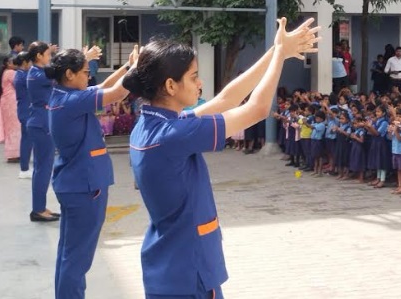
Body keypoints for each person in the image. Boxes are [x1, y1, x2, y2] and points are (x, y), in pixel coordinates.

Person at [126, 17, 318, 299]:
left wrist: (276, 50)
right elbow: (257, 108)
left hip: (169, 265)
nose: (200, 83)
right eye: (193, 76)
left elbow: (227, 99)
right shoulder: (173, 134)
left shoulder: (150, 125)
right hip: (190, 271)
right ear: (170, 85)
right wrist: (279, 54)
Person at [47, 45, 136, 298]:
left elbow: (105, 88)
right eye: (85, 72)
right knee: (77, 259)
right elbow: (117, 92)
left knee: (69, 255)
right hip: (85, 186)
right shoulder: (73, 100)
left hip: (75, 184)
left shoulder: (64, 96)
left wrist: (128, 67)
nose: (89, 76)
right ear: (69, 74)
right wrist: (141, 67)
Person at [27, 41, 59, 222]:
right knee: (43, 168)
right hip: (41, 124)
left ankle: (40, 207)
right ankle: (38, 209)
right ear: (39, 56)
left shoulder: (37, 73)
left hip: (40, 122)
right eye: (47, 54)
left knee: (43, 168)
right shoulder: (38, 74)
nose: (50, 57)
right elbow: (60, 74)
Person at [0, 55, 21, 163]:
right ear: (8, 63)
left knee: (10, 128)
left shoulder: (4, 72)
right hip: (11, 102)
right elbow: (19, 85)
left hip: (6, 101)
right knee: (15, 127)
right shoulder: (11, 73)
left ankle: (12, 153)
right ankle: (14, 153)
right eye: (13, 62)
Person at [13, 51, 33, 179]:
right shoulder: (23, 76)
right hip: (26, 110)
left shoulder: (22, 74)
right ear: (25, 62)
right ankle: (24, 169)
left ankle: (25, 167)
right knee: (27, 140)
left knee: (27, 139)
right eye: (30, 61)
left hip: (25, 110)